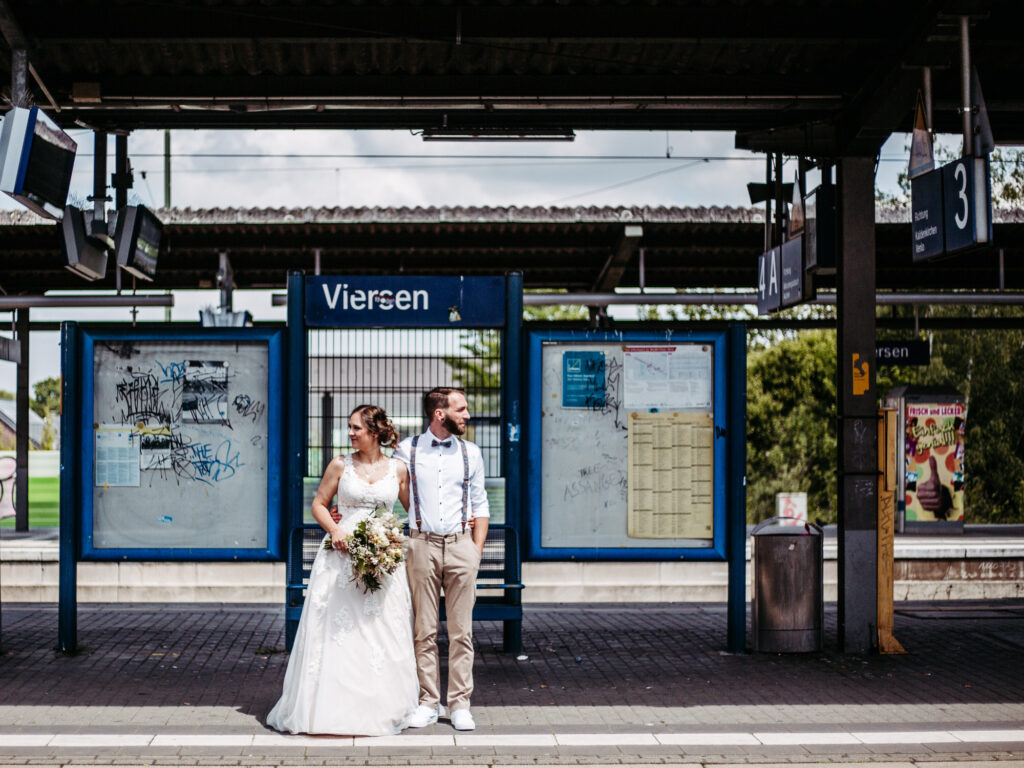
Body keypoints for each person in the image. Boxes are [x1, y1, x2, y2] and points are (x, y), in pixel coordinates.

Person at [266, 404, 418, 736]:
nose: (350, 433)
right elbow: (319, 504)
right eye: (349, 427)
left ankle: (382, 707)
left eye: (356, 428)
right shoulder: (339, 465)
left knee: (380, 629)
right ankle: (329, 708)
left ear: (375, 432)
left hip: (383, 558)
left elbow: (412, 512)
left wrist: (393, 540)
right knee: (338, 630)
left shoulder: (398, 470)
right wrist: (335, 531)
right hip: (340, 556)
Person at [394, 387, 489, 732]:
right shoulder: (407, 449)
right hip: (421, 545)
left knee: (462, 631)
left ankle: (460, 703)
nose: (467, 415)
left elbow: (480, 507)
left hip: (462, 545)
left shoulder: (471, 453)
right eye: (461, 409)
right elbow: (390, 488)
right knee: (424, 630)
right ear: (440, 413)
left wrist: (474, 552)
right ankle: (428, 702)